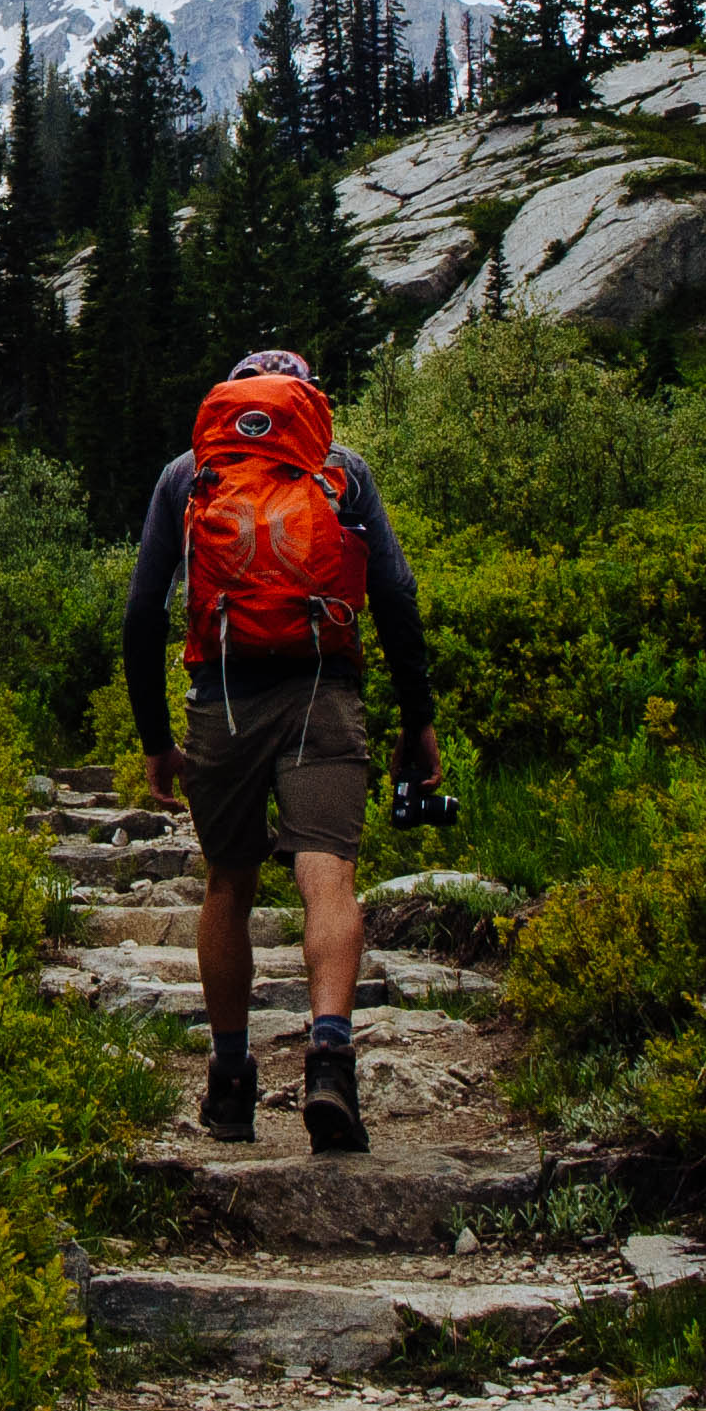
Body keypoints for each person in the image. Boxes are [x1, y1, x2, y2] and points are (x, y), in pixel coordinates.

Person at [122, 345, 437, 1154]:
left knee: (228, 884)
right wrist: (418, 717)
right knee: (326, 873)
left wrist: (157, 738)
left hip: (220, 697)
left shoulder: (184, 473)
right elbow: (395, 596)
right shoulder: (342, 469)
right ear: (308, 399)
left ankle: (231, 1084)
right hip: (324, 691)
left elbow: (142, 613)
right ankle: (330, 1056)